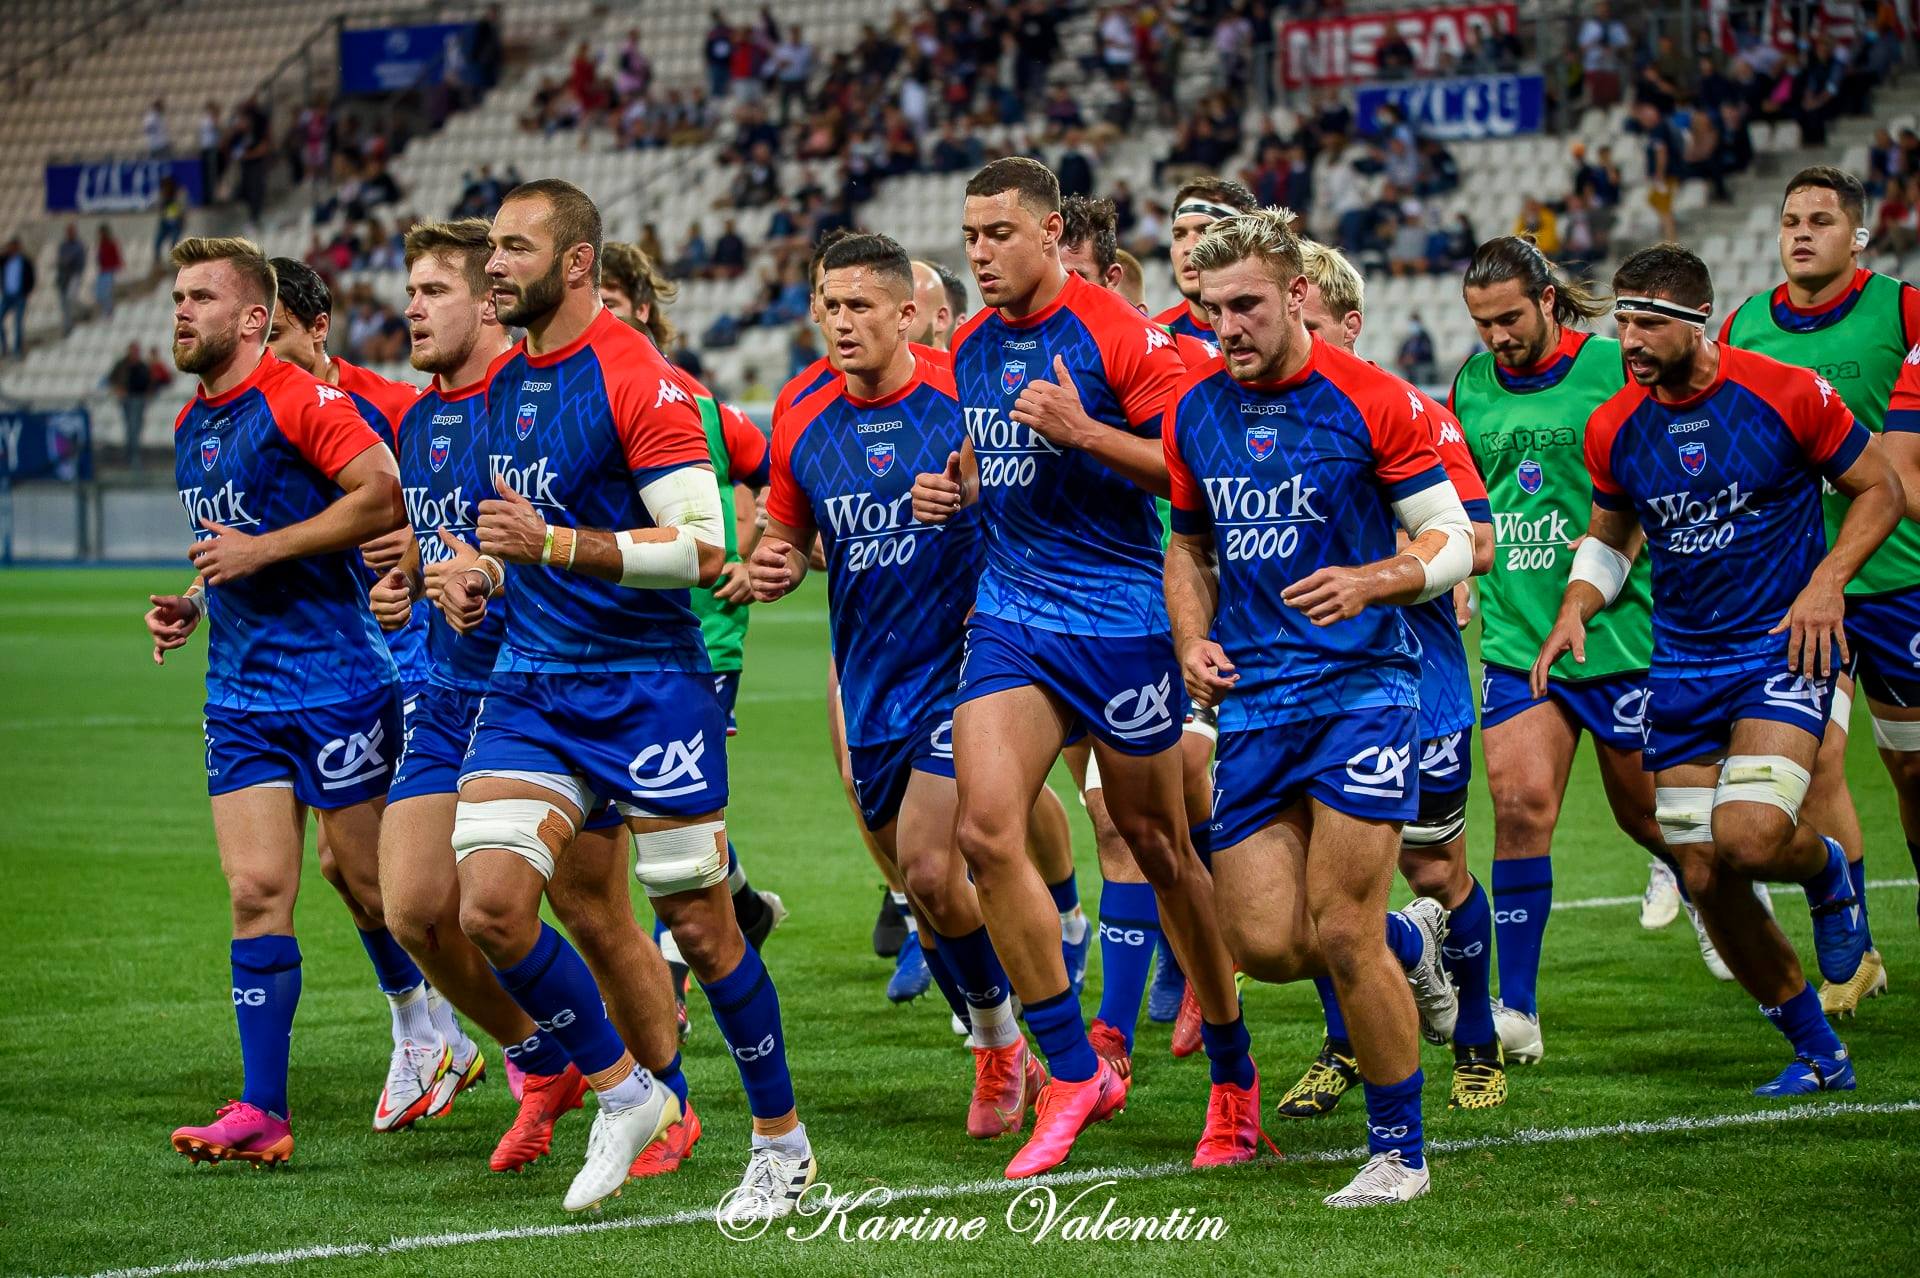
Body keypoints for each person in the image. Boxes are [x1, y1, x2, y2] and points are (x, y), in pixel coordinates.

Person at [446, 178, 815, 1218]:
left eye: (515, 248)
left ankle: (782, 1145)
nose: (493, 266)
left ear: (577, 263)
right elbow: (514, 532)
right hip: (532, 682)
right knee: (489, 907)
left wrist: (553, 544)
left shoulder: (638, 377)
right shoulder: (504, 381)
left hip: (649, 686)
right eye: (491, 247)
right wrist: (480, 572)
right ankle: (624, 1092)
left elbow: (703, 548)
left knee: (700, 927)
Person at [912, 157, 1256, 1177]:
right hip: (1012, 616)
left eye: (999, 234)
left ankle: (1233, 1075)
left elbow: (1198, 473)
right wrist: (958, 489)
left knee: (1158, 845)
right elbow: (995, 462)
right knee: (984, 832)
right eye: (969, 236)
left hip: (1120, 622)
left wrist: (1086, 431)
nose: (980, 254)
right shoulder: (972, 345)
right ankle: (1073, 1070)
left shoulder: (1124, 336)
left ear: (1053, 232)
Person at [1535, 243, 1900, 1096]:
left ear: (1698, 321)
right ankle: (1819, 1052)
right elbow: (1612, 533)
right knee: (1701, 871)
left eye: (1647, 323)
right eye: (1623, 321)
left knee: (1750, 836)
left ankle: (1828, 873)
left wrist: (1828, 582)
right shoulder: (1615, 424)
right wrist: (1577, 604)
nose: (1628, 339)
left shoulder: (1785, 392)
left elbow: (1880, 487)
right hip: (1683, 662)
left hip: (1780, 648)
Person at [377, 217, 701, 1177]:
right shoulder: (419, 420)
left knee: (592, 911)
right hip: (450, 690)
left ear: (489, 304)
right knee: (415, 910)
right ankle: (544, 1059)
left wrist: (491, 578)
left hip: (546, 683)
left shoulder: (535, 402)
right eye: (410, 291)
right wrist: (411, 580)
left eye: (434, 291)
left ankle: (666, 1097)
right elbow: (446, 542)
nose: (412, 309)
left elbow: (567, 549)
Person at [1164, 209, 1476, 1206]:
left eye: (1246, 305)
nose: (1227, 327)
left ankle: (1398, 1153)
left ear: (1298, 295)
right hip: (1255, 704)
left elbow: (1453, 536)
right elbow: (1189, 547)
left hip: (1362, 693)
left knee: (1341, 928)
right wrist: (1190, 639)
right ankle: (1413, 939)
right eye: (1212, 309)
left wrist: (1377, 580)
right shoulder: (1194, 413)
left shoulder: (1375, 400)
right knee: (1266, 945)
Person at [752, 231, 1045, 1137]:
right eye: (829, 306)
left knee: (929, 862)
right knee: (922, 888)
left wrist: (973, 496)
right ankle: (1009, 1033)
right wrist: (774, 563)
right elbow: (790, 536)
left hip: (968, 658)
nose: (841, 322)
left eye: (861, 306)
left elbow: (1036, 503)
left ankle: (1007, 1047)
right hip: (870, 673)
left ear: (908, 314)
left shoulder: (963, 392)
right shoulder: (799, 408)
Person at [149, 236, 407, 1168]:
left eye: (201, 297)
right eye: (178, 297)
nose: (182, 312)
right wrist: (196, 602)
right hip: (241, 697)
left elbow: (383, 493)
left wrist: (260, 551)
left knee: (386, 893)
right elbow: (235, 544)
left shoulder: (302, 400)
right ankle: (264, 1108)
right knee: (256, 892)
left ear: (255, 318)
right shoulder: (191, 426)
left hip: (338, 686)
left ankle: (519, 1039)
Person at [1273, 239, 1505, 1118]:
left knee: (1436, 869)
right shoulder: (1259, 419)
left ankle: (1475, 1034)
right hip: (1300, 689)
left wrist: (1390, 563)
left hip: (1415, 684)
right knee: (1316, 888)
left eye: (1310, 322)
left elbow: (1478, 541)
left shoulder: (1408, 412)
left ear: (1348, 324)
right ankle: (1348, 1040)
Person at [1453, 238, 1688, 1062]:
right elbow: (1469, 496)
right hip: (1519, 637)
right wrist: (1463, 569)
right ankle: (1518, 1009)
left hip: (1621, 631)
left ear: (1548, 300)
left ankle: (1706, 886)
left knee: (1651, 815)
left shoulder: (1613, 368)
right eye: (1482, 323)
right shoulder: (1471, 384)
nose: (1496, 338)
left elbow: (1650, 485)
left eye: (1509, 318)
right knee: (1519, 809)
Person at [1721, 165, 1920, 1015]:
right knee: (1821, 759)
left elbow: (1903, 465)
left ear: (1858, 237)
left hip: (1901, 577)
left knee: (1912, 767)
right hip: (1799, 590)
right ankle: (1856, 950)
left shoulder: (1903, 314)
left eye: (1821, 220)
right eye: (1790, 220)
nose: (1801, 233)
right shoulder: (1744, 327)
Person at [599, 239, 789, 1042]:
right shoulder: (561, 396)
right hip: (599, 644)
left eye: (612, 301)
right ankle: (743, 906)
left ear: (643, 309)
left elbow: (777, 474)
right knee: (645, 811)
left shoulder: (694, 404)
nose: (597, 316)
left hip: (700, 640)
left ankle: (670, 980)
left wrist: (754, 550)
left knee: (665, 813)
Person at [1055, 194, 1222, 1060]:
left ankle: (1197, 962)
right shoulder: (1020, 352)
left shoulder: (1181, 357)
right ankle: (1131, 1013)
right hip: (1074, 615)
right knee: (1118, 822)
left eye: (1075, 279)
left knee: (1176, 807)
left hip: (1182, 613)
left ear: (1111, 277)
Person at [1153, 175, 1256, 353]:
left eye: (1205, 231)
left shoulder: (1276, 328)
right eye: (1179, 235)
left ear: (1245, 244)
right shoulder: (1157, 337)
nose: (1188, 248)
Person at [109, 341, 157, 468]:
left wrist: (148, 392)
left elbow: (149, 380)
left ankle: (132, 457)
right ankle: (131, 457)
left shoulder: (142, 366)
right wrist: (118, 390)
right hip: (127, 399)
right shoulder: (122, 364)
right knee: (131, 428)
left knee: (135, 428)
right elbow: (112, 378)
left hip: (139, 399)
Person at [0, 237, 35, 357]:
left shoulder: (25, 262)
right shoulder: (5, 260)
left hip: (19, 296)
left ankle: (17, 350)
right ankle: (4, 347)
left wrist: (27, 292)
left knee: (18, 323)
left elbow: (31, 278)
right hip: (7, 296)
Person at [56, 223, 86, 335]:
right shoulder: (63, 246)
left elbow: (78, 261)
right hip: (63, 278)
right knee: (64, 304)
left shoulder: (78, 246)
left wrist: (69, 262)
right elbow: (61, 260)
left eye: (72, 232)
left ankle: (82, 312)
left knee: (71, 298)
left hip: (74, 275)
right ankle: (67, 326)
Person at [97, 225, 123, 319]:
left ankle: (109, 312)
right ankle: (106, 310)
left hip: (109, 271)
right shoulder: (101, 244)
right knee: (99, 293)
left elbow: (117, 258)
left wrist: (116, 268)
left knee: (107, 292)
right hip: (102, 272)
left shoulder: (111, 244)